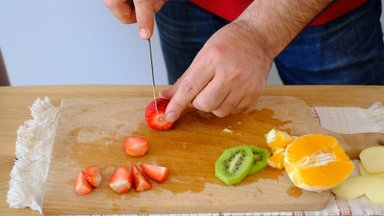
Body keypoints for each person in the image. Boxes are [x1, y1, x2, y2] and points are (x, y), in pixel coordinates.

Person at [104, 0, 384, 123]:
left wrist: (258, 34)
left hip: (325, 14)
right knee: (197, 116)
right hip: (186, 6)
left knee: (355, 139)